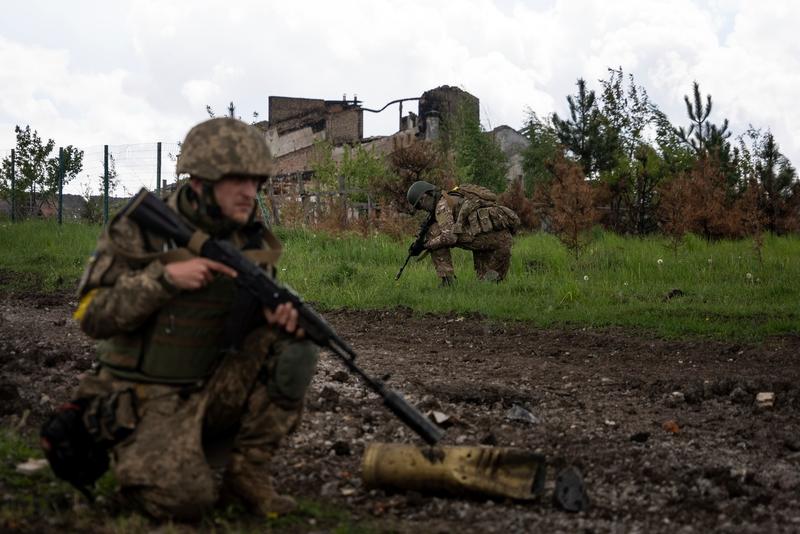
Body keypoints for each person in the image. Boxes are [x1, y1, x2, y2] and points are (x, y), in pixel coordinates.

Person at [70, 118, 318, 520]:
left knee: (296, 345)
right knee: (186, 503)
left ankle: (246, 476)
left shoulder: (248, 237)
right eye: (237, 180)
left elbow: (243, 326)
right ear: (201, 182)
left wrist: (275, 315)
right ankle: (134, 460)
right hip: (143, 395)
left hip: (207, 383)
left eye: (255, 181)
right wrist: (164, 278)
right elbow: (91, 316)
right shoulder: (139, 229)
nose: (249, 192)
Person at [406, 180, 519, 286]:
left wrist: (425, 245)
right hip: (501, 240)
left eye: (419, 205)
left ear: (424, 197)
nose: (422, 209)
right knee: (489, 284)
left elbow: (450, 238)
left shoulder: (442, 206)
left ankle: (447, 281)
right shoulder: (453, 195)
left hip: (486, 240)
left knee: (434, 232)